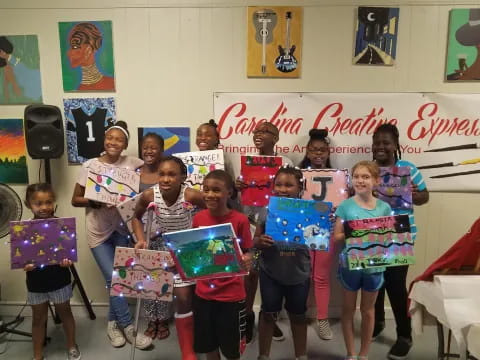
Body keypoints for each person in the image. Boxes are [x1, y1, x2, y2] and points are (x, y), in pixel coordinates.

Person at [71, 121, 152, 349]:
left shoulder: (134, 165)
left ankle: (112, 324)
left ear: (125, 144)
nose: (113, 142)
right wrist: (94, 200)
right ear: (104, 140)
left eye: (119, 139)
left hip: (123, 229)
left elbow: (153, 175)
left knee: (120, 279)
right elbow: (74, 199)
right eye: (110, 138)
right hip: (98, 231)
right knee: (113, 278)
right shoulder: (90, 165)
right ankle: (129, 327)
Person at [132, 155, 205, 360]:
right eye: (162, 174)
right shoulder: (149, 196)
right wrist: (140, 238)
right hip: (166, 248)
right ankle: (188, 350)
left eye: (172, 174)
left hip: (190, 247)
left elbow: (214, 212)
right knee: (178, 297)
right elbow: (136, 217)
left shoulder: (191, 195)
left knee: (192, 297)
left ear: (182, 176)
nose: (165, 179)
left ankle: (195, 342)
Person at [371, 124, 429, 360]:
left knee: (395, 285)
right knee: (375, 283)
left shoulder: (407, 168)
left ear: (396, 145)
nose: (381, 147)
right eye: (377, 142)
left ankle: (404, 335)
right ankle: (377, 323)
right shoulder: (369, 169)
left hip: (400, 234)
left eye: (386, 142)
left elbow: (425, 196)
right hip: (371, 233)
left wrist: (415, 195)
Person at [235, 122, 293, 343]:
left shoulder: (286, 163)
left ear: (276, 138)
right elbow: (238, 198)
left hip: (277, 226)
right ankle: (248, 317)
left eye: (265, 131)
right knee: (251, 274)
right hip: (251, 227)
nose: (259, 134)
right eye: (256, 131)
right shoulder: (245, 162)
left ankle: (269, 317)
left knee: (275, 274)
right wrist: (237, 187)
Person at [334, 161, 392, 360]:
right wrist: (356, 230)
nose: (360, 180)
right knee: (348, 309)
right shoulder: (345, 206)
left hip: (374, 267)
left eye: (365, 177)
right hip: (351, 265)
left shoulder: (384, 208)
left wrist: (379, 233)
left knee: (368, 310)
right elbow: (337, 237)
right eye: (357, 176)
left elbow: (390, 238)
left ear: (375, 181)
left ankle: (364, 354)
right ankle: (351, 353)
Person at [192, 170, 253, 360]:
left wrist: (249, 258)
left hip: (231, 296)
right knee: (208, 344)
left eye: (216, 190)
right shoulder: (198, 218)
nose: (210, 195)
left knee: (231, 348)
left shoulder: (240, 220)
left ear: (229, 193)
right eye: (206, 190)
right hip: (203, 294)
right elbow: (195, 251)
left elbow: (250, 251)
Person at [255, 166, 310, 360]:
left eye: (289, 185)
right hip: (270, 272)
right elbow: (255, 240)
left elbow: (319, 239)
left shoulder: (309, 211)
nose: (283, 189)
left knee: (298, 315)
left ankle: (301, 355)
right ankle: (263, 355)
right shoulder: (266, 210)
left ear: (300, 187)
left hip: (299, 274)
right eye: (278, 184)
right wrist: (259, 243)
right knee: (268, 314)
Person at [22, 183, 81, 360]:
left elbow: (69, 253)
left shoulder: (62, 226)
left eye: (48, 202)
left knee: (65, 313)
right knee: (38, 319)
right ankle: (37, 354)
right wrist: (26, 265)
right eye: (38, 203)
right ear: (28, 204)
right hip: (36, 283)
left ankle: (71, 345)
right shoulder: (23, 230)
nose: (44, 207)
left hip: (59, 279)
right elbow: (22, 259)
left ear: (53, 202)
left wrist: (67, 261)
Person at [136, 132, 173, 340]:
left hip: (166, 231)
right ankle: (152, 319)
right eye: (145, 147)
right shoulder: (135, 172)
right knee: (148, 278)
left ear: (162, 150)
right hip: (143, 233)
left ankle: (164, 319)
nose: (149, 151)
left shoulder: (167, 172)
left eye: (154, 147)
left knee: (163, 277)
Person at [298, 128, 335, 340]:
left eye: (322, 150)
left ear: (328, 152)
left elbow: (340, 204)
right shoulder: (297, 173)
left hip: (325, 231)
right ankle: (299, 314)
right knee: (302, 276)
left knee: (320, 277)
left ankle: (322, 319)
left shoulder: (337, 177)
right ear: (307, 152)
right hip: (301, 231)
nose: (318, 154)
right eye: (314, 150)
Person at [66, 22, 115, 91]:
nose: (69, 53)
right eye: (71, 47)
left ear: (89, 49)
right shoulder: (79, 90)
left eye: (75, 46)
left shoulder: (113, 84)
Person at [0, 36, 42, 102]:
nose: (2, 53)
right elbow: (9, 80)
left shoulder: (16, 58)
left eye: (1, 50)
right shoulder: (7, 66)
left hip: (32, 80)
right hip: (27, 86)